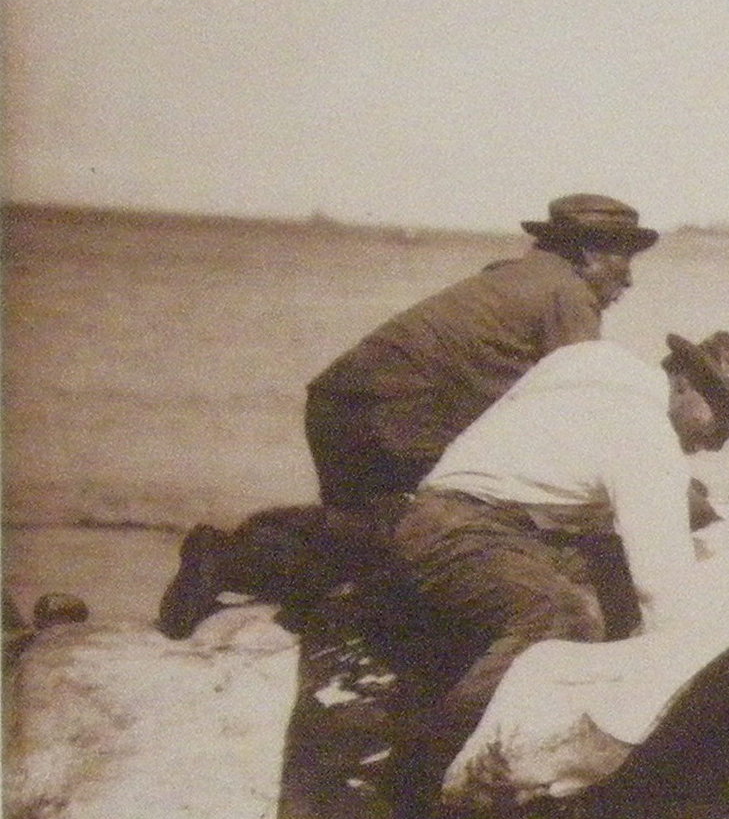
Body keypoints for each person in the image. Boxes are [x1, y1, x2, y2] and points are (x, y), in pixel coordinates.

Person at [158, 194, 660, 637]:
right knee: (414, 537)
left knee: (363, 535)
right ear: (591, 253)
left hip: (342, 400)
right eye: (625, 259)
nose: (630, 279)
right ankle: (233, 558)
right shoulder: (569, 295)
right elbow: (583, 403)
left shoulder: (512, 275)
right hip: (393, 415)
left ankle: (230, 557)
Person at [386, 330, 729, 806]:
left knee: (609, 582)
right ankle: (429, 773)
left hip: (446, 512)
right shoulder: (646, 438)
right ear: (684, 384)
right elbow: (663, 593)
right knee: (567, 617)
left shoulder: (597, 361)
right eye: (724, 422)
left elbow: (567, 460)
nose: (716, 445)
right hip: (456, 531)